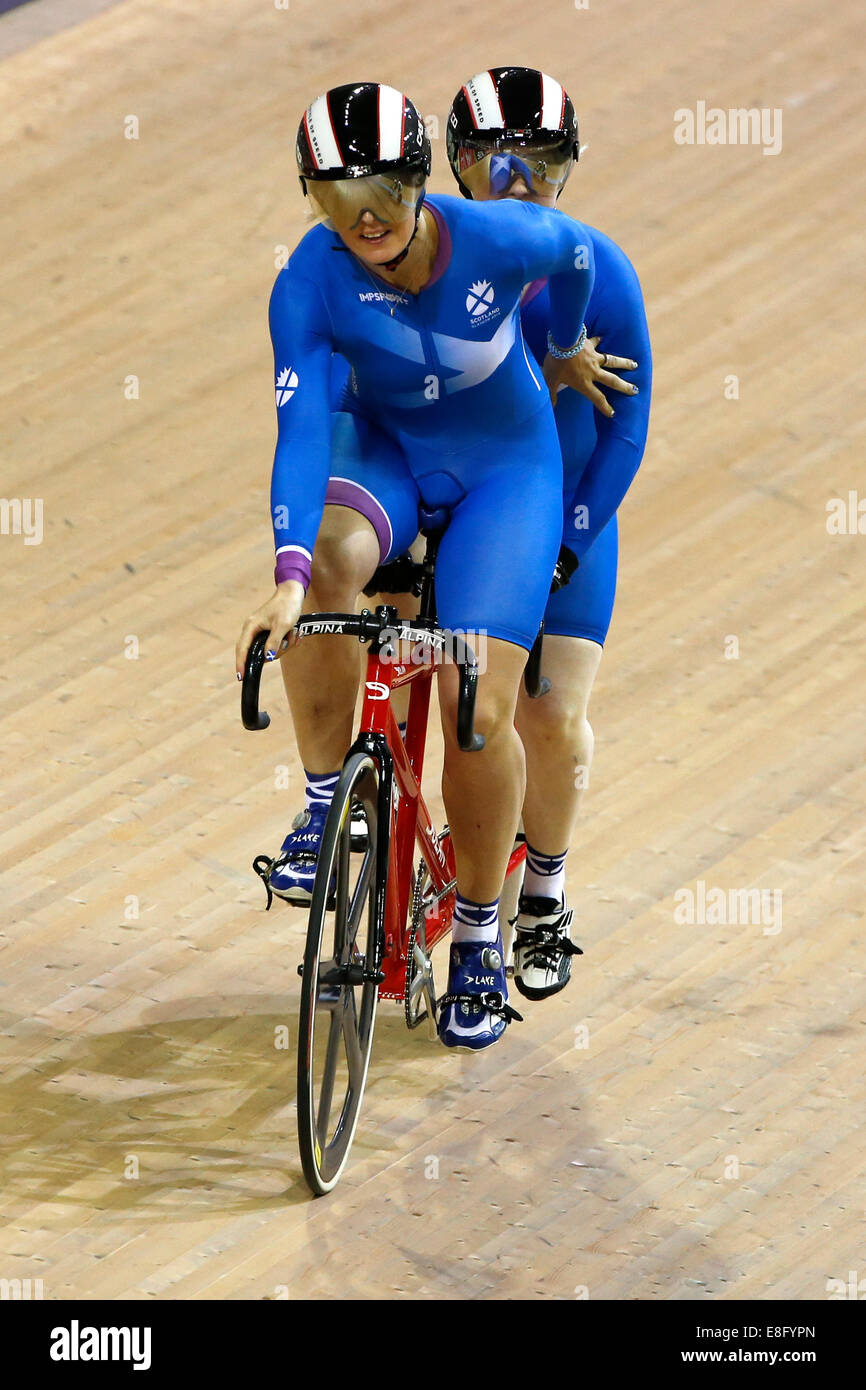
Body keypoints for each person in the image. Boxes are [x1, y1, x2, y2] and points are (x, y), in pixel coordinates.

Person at [235, 81, 608, 1051]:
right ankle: (325, 809)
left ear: (419, 182)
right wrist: (283, 573)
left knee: (478, 713)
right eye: (333, 200)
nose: (361, 220)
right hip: (387, 457)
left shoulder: (502, 237)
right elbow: (301, 429)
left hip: (502, 473)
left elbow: (581, 257)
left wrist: (563, 344)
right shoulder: (306, 283)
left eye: (380, 196)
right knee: (325, 567)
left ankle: (480, 937)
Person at [445, 67, 652, 999]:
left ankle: (545, 891)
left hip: (566, 513)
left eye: (540, 161)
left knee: (549, 714)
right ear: (454, 165)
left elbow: (628, 425)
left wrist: (573, 534)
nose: (515, 180)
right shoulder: (422, 263)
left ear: (568, 172)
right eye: (492, 161)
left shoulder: (598, 269)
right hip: (455, 506)